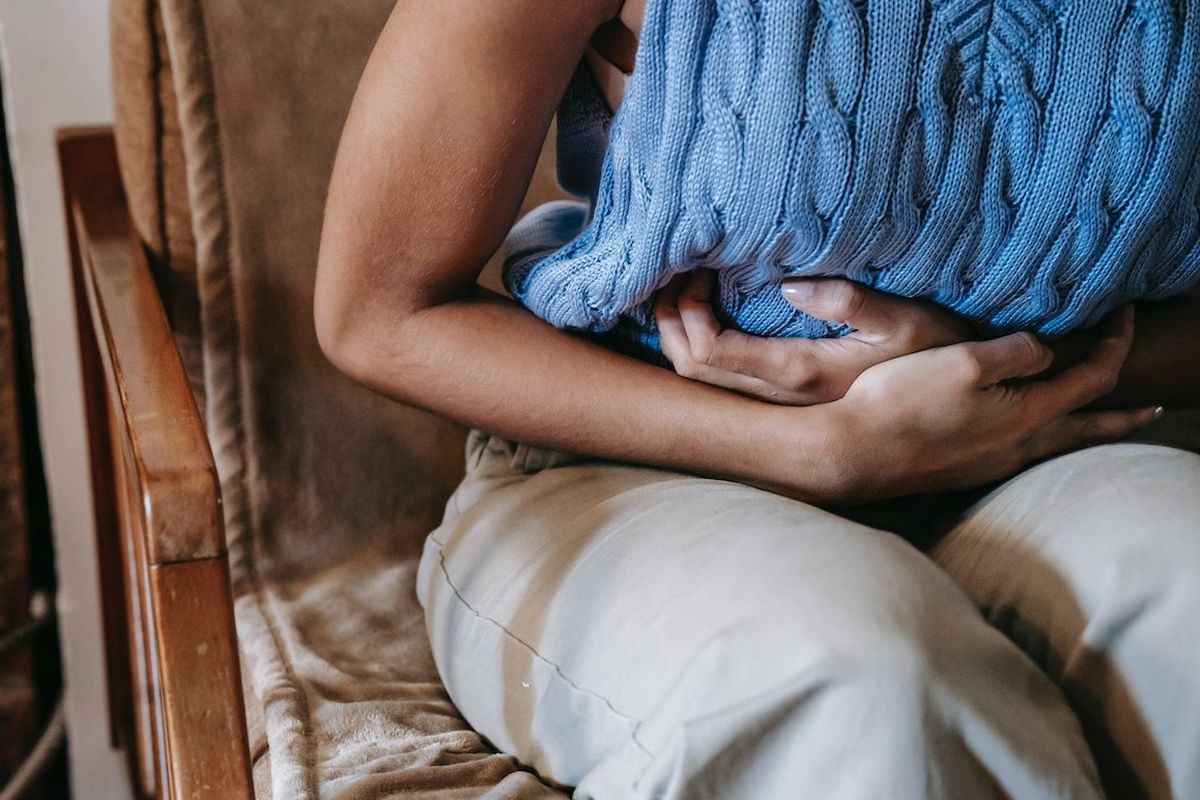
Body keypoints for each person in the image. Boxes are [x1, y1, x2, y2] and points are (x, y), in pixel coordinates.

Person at [313, 1, 1200, 797]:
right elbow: (380, 311)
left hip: (1045, 446)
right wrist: (821, 451)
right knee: (866, 686)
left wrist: (1001, 368)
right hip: (638, 469)